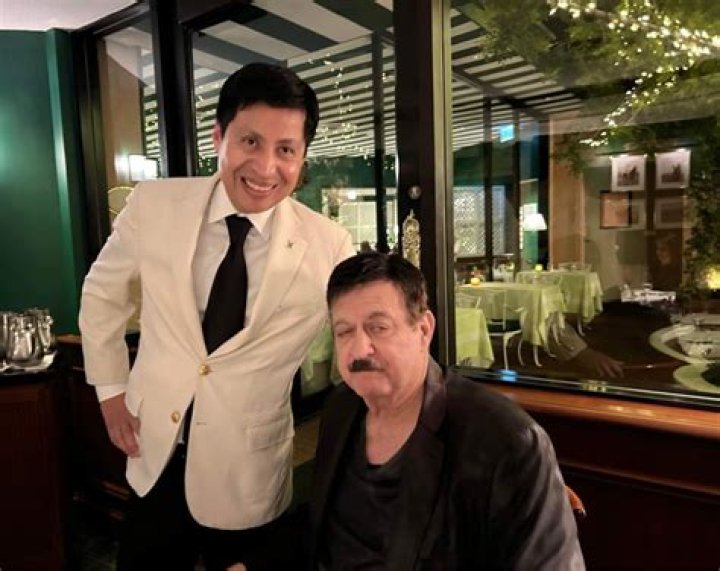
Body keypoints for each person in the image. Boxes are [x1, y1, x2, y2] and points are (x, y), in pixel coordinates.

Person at [78, 62, 355, 570]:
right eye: (250, 141)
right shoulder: (154, 204)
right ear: (219, 137)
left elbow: (358, 333)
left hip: (248, 470)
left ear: (302, 156)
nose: (266, 167)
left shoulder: (330, 245)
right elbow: (102, 293)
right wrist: (110, 389)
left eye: (286, 149)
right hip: (154, 451)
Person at [308, 252, 585, 569]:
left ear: (424, 329)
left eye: (378, 327)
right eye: (344, 332)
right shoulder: (341, 408)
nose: (359, 349)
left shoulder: (506, 442)